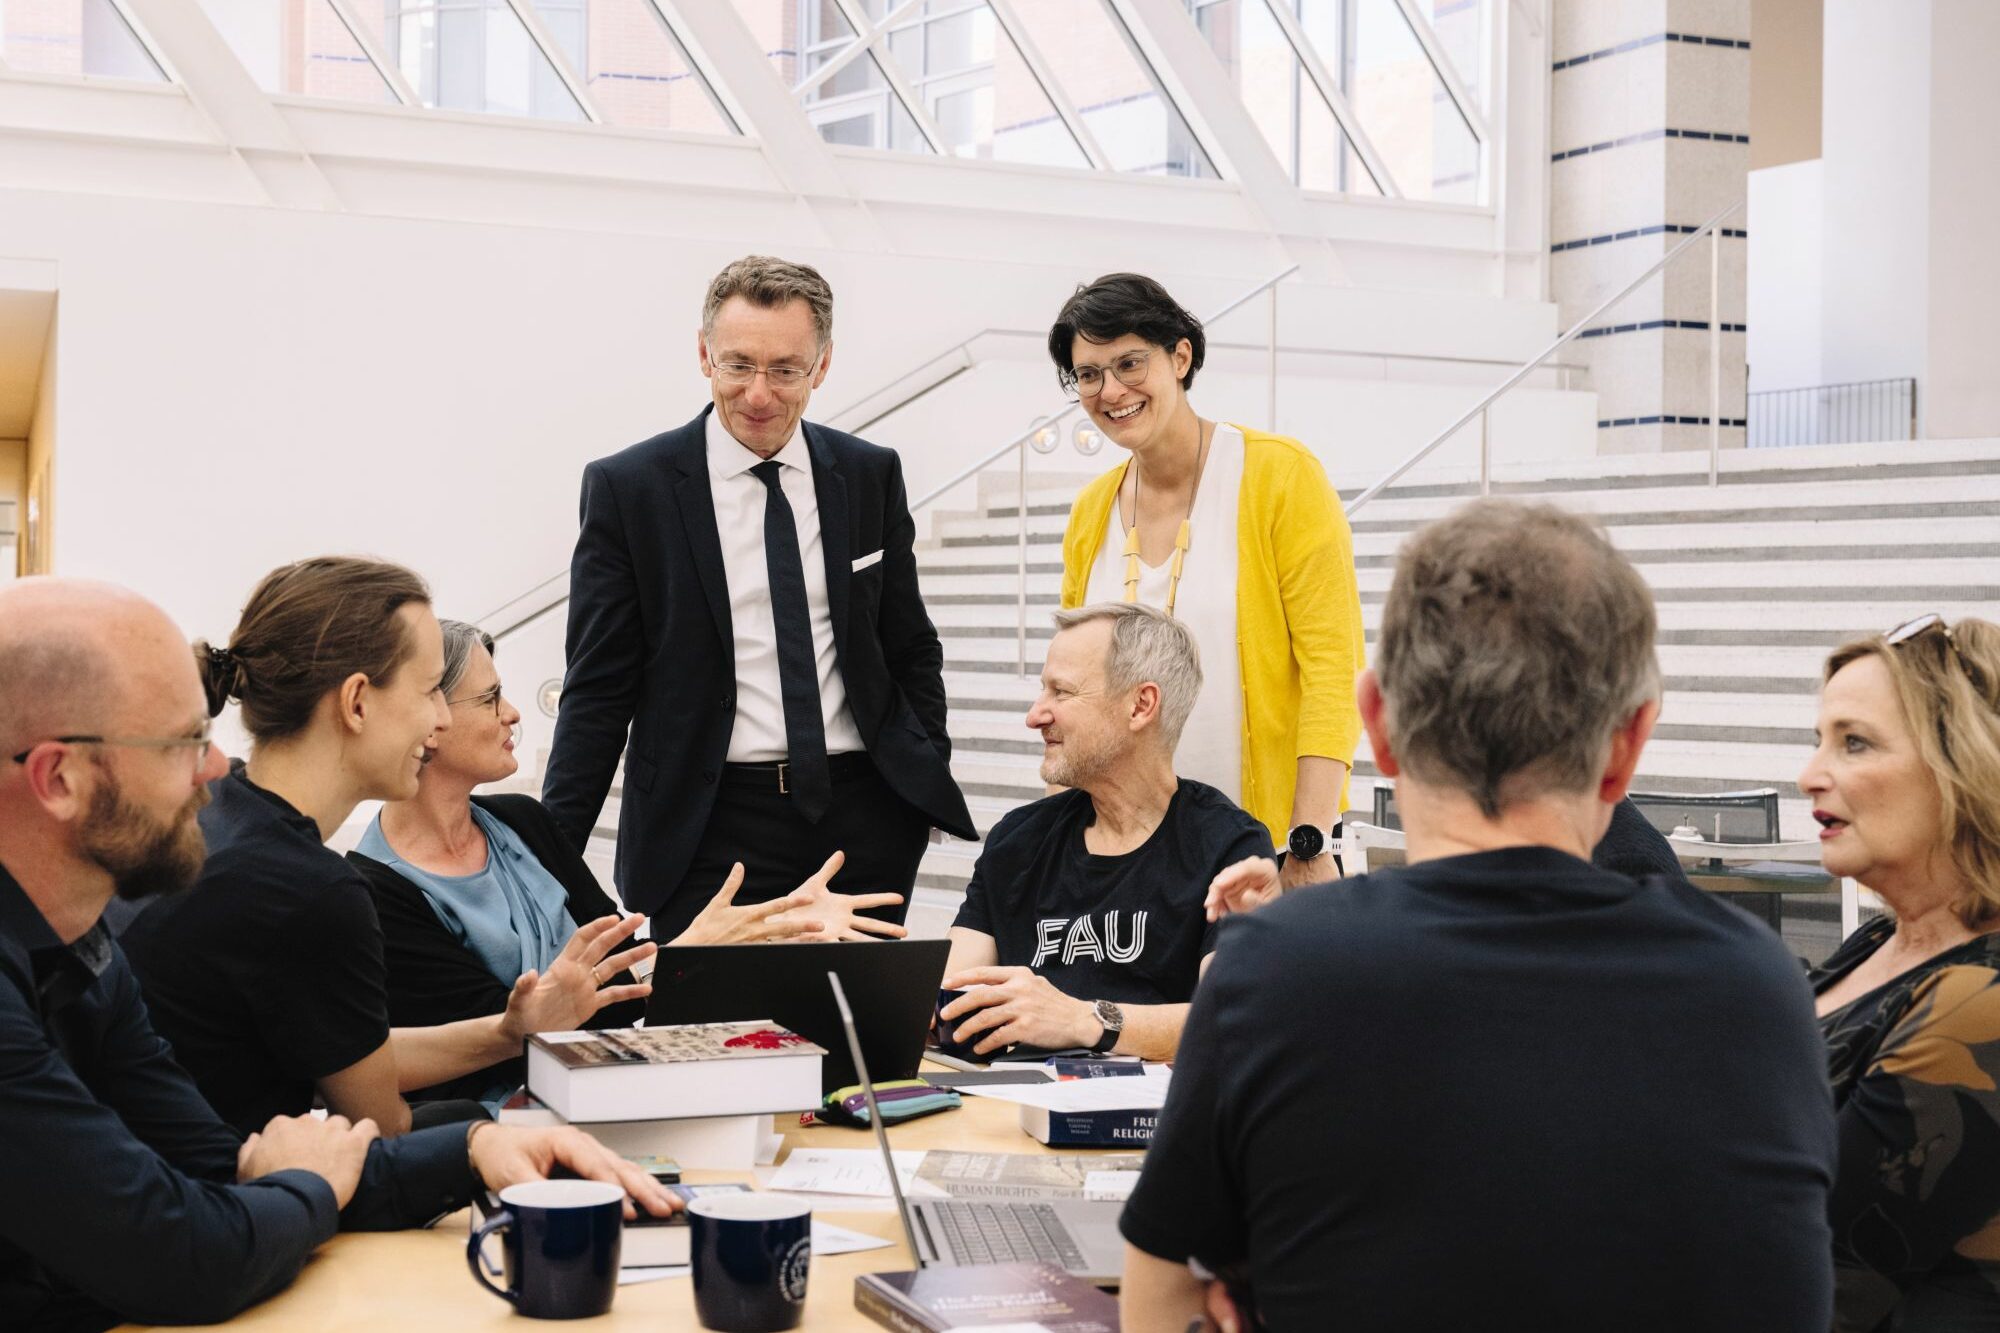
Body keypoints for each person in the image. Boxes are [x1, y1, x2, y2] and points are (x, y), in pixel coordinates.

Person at [1125, 499, 1836, 1331]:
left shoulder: (1274, 969)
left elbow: (1159, 1292)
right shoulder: (1758, 989)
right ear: (1628, 745)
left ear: (1378, 725)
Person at [0, 577, 675, 1333]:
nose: (215, 768)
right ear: (58, 778)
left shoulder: (84, 941)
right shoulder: (293, 885)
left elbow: (221, 1161)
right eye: (181, 742)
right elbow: (187, 1250)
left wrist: (473, 1148)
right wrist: (304, 1184)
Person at [122, 558, 649, 1136]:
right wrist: (483, 1128)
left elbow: (356, 1053)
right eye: (428, 693)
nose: (439, 719)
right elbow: (383, 1127)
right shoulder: (311, 891)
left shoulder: (224, 811)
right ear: (356, 703)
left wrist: (509, 1031)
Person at [542, 254, 976, 940]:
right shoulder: (631, 489)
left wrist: (919, 782)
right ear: (704, 355)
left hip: (864, 819)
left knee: (858, 1010)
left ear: (821, 366)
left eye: (785, 369)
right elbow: (598, 688)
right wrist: (550, 859)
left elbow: (910, 646)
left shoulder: (868, 474)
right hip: (705, 827)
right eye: (738, 364)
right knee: (708, 1011)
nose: (758, 393)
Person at [348, 620, 912, 1105]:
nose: (513, 713)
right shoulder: (374, 892)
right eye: (491, 697)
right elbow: (517, 1044)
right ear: (430, 716)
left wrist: (775, 924)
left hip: (611, 1098)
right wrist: (689, 952)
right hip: (505, 1139)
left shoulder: (524, 821)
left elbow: (619, 984)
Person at [1049, 273, 1363, 892]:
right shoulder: (1091, 512)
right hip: (1127, 859)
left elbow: (1334, 671)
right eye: (1088, 374)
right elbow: (1072, 689)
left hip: (1265, 852)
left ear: (1180, 356)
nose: (1111, 391)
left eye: (1129, 363)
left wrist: (1308, 841)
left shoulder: (1279, 477)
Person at [939, 603, 1272, 1064]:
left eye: (1061, 692)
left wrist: (1085, 1019)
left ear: (1141, 705)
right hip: (1010, 1102)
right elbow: (945, 1002)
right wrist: (852, 963)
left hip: (1153, 1107)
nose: (1035, 716)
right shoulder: (1018, 840)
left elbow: (1233, 1019)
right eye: (1042, 690)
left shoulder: (1226, 846)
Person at [1801, 614, 2000, 1330]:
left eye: (1854, 742)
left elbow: (1813, 1273)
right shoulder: (1882, 939)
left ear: (1962, 765)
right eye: (1818, 740)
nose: (1809, 776)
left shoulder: (1981, 1003)